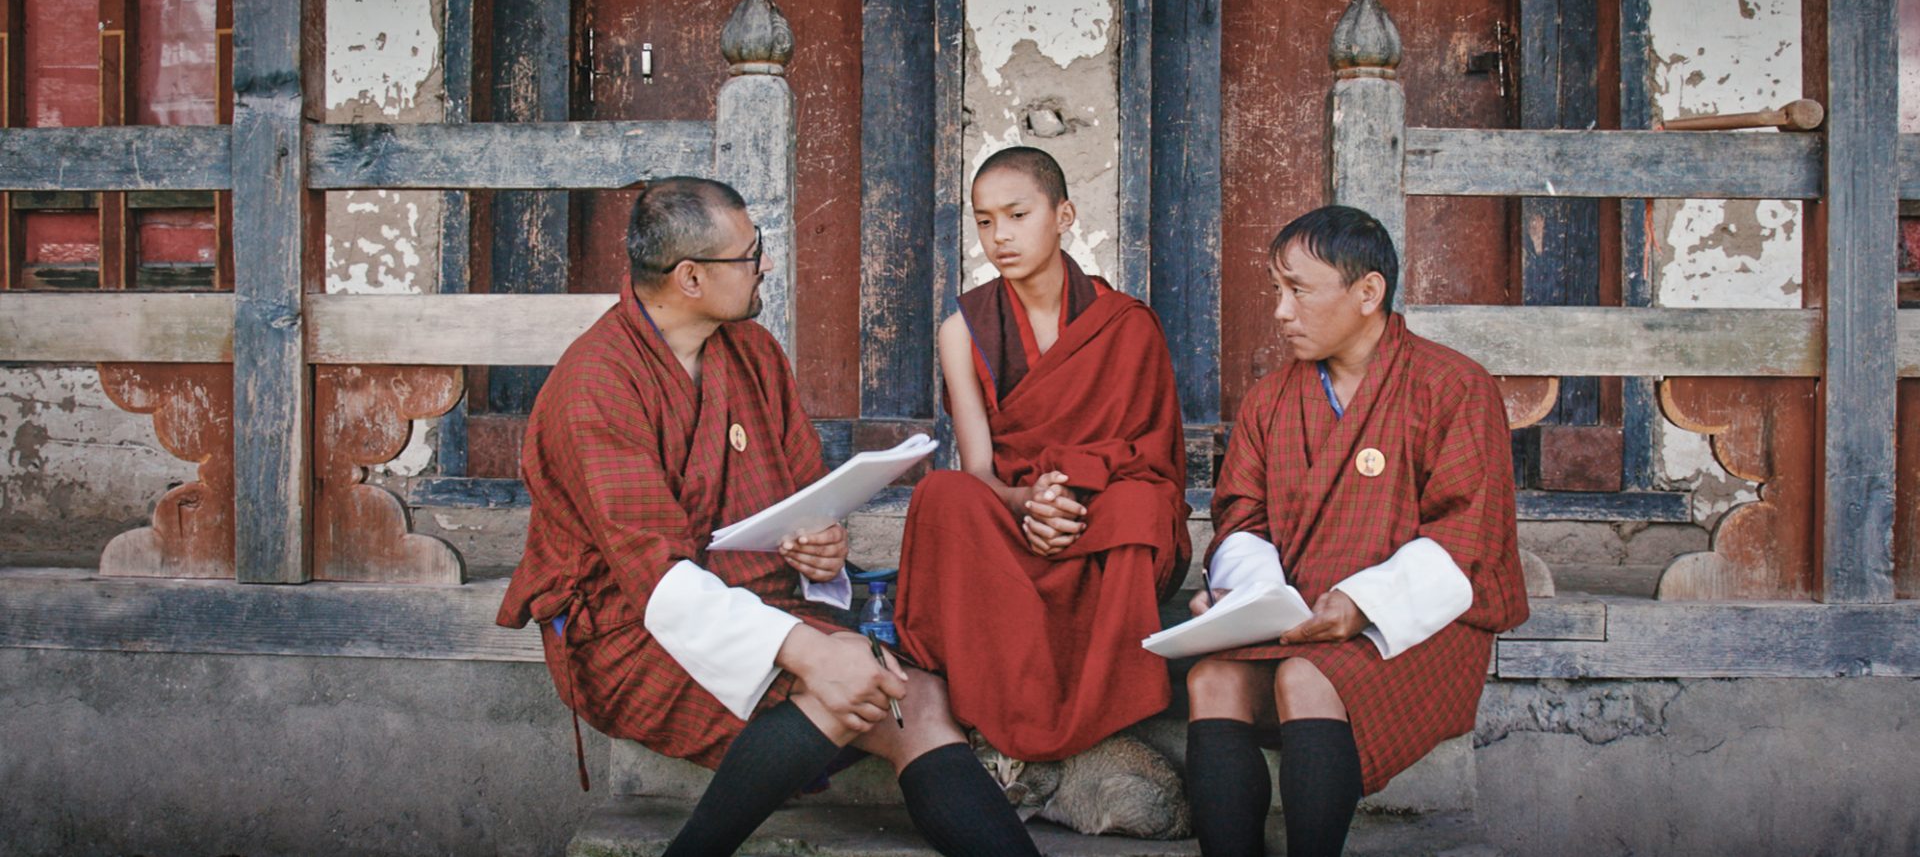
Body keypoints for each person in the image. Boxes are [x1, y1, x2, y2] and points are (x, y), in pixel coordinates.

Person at [497, 177, 1041, 857]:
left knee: (919, 695)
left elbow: (805, 495)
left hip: (754, 594)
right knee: (846, 681)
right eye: (750, 254)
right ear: (691, 277)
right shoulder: (595, 386)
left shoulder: (751, 350)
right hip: (628, 628)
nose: (767, 266)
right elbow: (657, 579)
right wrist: (810, 647)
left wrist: (821, 551)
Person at [1182, 205, 1529, 857]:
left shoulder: (1452, 386)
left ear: (1367, 292)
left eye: (1299, 289)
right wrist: (1255, 594)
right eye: (1277, 289)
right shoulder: (1270, 400)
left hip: (1419, 622)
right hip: (1300, 616)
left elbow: (1469, 536)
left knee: (1306, 679)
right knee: (1211, 678)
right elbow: (1239, 516)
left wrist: (1361, 603)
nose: (1281, 310)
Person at [894, 145, 1191, 764]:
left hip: (1096, 506)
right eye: (983, 220)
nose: (999, 237)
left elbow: (1152, 457)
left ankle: (1096, 713)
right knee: (942, 494)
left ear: (1064, 215)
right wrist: (1030, 500)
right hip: (1017, 512)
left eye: (1017, 215)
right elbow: (978, 470)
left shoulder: (1127, 324)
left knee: (1139, 507)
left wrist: (1071, 494)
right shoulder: (963, 329)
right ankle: (1007, 710)